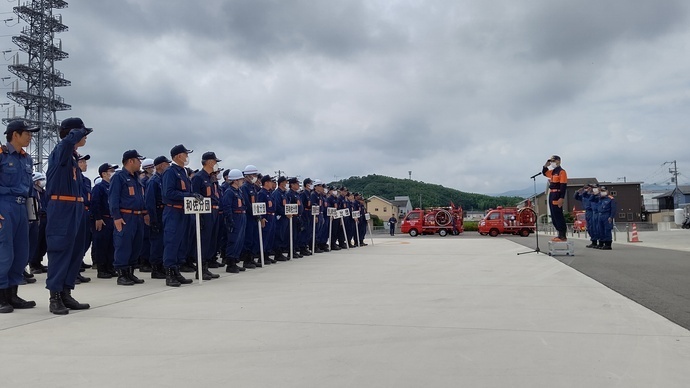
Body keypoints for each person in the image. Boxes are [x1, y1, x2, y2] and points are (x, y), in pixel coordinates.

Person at [45, 117, 92, 314]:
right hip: (61, 207)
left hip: (75, 208)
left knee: (75, 252)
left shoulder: (72, 157)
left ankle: (66, 292)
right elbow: (65, 143)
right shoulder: (60, 152)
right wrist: (74, 134)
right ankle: (55, 296)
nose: (85, 137)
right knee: (60, 250)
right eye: (83, 133)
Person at [0, 120, 40, 313]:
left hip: (21, 207)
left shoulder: (26, 159)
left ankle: (12, 294)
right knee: (4, 252)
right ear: (15, 134)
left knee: (21, 252)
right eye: (27, 133)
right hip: (3, 206)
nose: (30, 137)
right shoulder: (1, 155)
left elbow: (30, 189)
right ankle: (1, 296)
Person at [109, 150, 149, 286]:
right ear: (130, 161)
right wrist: (116, 217)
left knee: (136, 245)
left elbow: (141, 198)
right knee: (123, 245)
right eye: (139, 160)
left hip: (138, 216)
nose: (140, 163)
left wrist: (145, 213)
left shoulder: (136, 178)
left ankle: (130, 272)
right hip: (125, 216)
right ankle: (122, 274)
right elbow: (113, 198)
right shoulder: (119, 177)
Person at [161, 144, 197, 287]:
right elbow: (168, 193)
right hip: (173, 211)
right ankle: (169, 273)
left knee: (181, 243)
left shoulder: (183, 172)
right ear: (177, 156)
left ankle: (176, 270)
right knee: (172, 242)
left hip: (183, 211)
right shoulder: (170, 172)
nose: (187, 157)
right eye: (185, 154)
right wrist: (189, 195)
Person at [191, 151, 222, 280]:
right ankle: (200, 269)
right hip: (205, 212)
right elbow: (195, 196)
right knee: (203, 241)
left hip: (214, 211)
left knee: (210, 241)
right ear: (209, 162)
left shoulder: (210, 178)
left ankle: (205, 267)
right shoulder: (198, 177)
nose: (215, 164)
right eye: (215, 162)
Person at [145, 156, 171, 279]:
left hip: (164, 211)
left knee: (163, 241)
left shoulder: (163, 179)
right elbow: (150, 202)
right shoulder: (153, 181)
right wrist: (153, 219)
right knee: (157, 242)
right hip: (157, 212)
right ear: (160, 165)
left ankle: (161, 266)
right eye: (167, 164)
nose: (169, 166)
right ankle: (156, 268)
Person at [91, 162, 118, 279]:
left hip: (112, 219)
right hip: (103, 219)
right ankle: (102, 269)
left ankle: (110, 267)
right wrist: (98, 218)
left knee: (111, 245)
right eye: (110, 171)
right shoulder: (99, 187)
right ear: (104, 174)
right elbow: (95, 203)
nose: (113, 173)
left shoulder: (113, 187)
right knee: (102, 245)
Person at [221, 169, 248, 273]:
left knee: (239, 240)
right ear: (235, 180)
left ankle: (235, 260)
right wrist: (230, 220)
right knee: (233, 240)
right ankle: (230, 263)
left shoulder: (239, 191)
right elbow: (226, 207)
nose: (242, 181)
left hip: (241, 216)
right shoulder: (229, 192)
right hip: (235, 217)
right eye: (241, 179)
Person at [542, 155, 568, 242]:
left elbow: (563, 185)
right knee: (553, 215)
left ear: (558, 161)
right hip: (552, 193)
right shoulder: (553, 172)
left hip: (557, 194)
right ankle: (559, 234)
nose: (552, 163)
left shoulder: (562, 172)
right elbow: (545, 173)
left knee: (558, 214)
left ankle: (562, 235)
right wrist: (545, 166)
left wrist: (561, 197)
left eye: (553, 161)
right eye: (551, 161)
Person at [240, 165, 260, 268]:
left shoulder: (253, 187)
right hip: (248, 216)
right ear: (248, 176)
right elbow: (247, 203)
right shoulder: (244, 187)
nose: (255, 177)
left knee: (253, 238)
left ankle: (252, 258)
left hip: (254, 216)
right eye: (253, 175)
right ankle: (247, 260)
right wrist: (254, 212)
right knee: (248, 238)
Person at [28, 172, 47, 275]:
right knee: (36, 242)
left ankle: (39, 261)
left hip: (45, 218)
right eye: (41, 179)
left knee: (43, 243)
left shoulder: (44, 192)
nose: (43, 181)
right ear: (36, 181)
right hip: (38, 218)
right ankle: (33, 264)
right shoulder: (33, 192)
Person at [257, 174, 277, 264]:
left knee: (270, 237)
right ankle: (262, 256)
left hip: (272, 216)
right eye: (270, 182)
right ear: (266, 183)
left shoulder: (269, 193)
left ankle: (267, 255)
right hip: (266, 216)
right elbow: (260, 206)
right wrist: (262, 217)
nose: (272, 184)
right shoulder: (262, 193)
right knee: (265, 237)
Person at [271, 176, 290, 261]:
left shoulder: (284, 193)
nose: (286, 184)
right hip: (279, 217)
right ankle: (277, 253)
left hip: (285, 217)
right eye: (285, 182)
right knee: (278, 235)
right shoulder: (276, 193)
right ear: (281, 183)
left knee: (283, 235)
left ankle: (280, 252)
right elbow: (277, 206)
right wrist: (285, 213)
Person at [575, 183, 597, 248]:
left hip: (593, 211)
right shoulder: (583, 196)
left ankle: (599, 241)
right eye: (585, 188)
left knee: (595, 227)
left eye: (588, 188)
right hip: (587, 212)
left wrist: (593, 190)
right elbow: (576, 197)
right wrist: (577, 192)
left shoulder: (593, 195)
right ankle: (593, 241)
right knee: (589, 227)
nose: (586, 189)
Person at [596, 186, 616, 250]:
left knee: (607, 230)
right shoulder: (600, 198)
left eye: (603, 191)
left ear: (607, 191)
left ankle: (608, 244)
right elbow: (591, 199)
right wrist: (598, 193)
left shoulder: (611, 199)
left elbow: (613, 209)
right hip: (600, 215)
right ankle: (602, 242)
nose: (602, 192)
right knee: (600, 230)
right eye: (601, 191)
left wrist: (611, 216)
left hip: (607, 215)